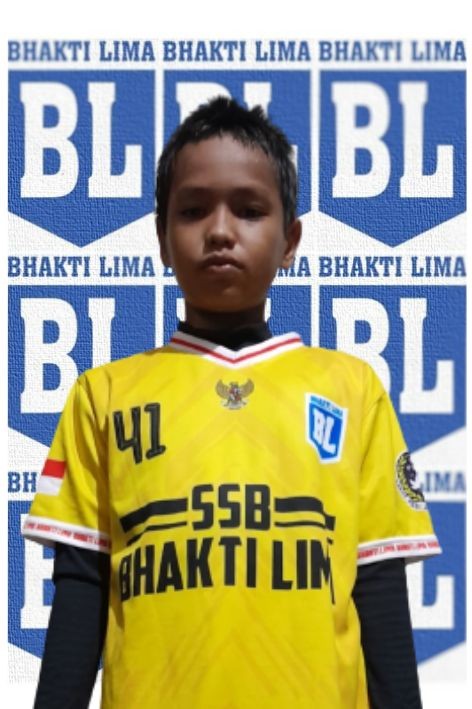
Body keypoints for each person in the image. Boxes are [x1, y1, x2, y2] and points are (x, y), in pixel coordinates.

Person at [23, 97, 440, 709]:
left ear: (289, 240)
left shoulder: (352, 390)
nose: (220, 231)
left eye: (249, 210)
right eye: (193, 210)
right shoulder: (103, 396)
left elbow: (378, 593)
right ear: (162, 239)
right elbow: (81, 592)